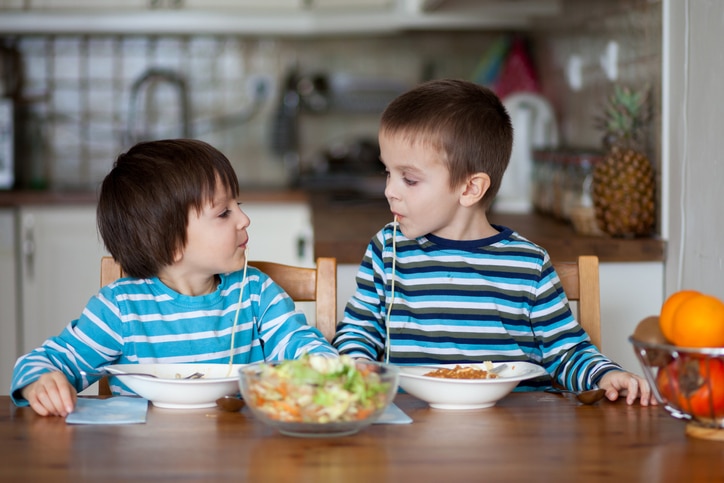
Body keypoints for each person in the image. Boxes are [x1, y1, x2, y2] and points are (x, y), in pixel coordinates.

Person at [332, 79, 654, 406]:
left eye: (409, 179)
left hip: (516, 432)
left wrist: (604, 375)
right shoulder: (388, 250)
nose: (390, 190)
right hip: (410, 428)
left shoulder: (528, 265)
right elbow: (358, 332)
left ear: (470, 189)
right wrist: (354, 364)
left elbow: (567, 352)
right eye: (388, 172)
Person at [11, 139, 337, 416]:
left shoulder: (255, 293)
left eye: (239, 205)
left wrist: (323, 367)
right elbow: (50, 360)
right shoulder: (121, 308)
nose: (244, 219)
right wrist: (40, 381)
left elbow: (299, 343)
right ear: (171, 242)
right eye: (224, 212)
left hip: (240, 454)